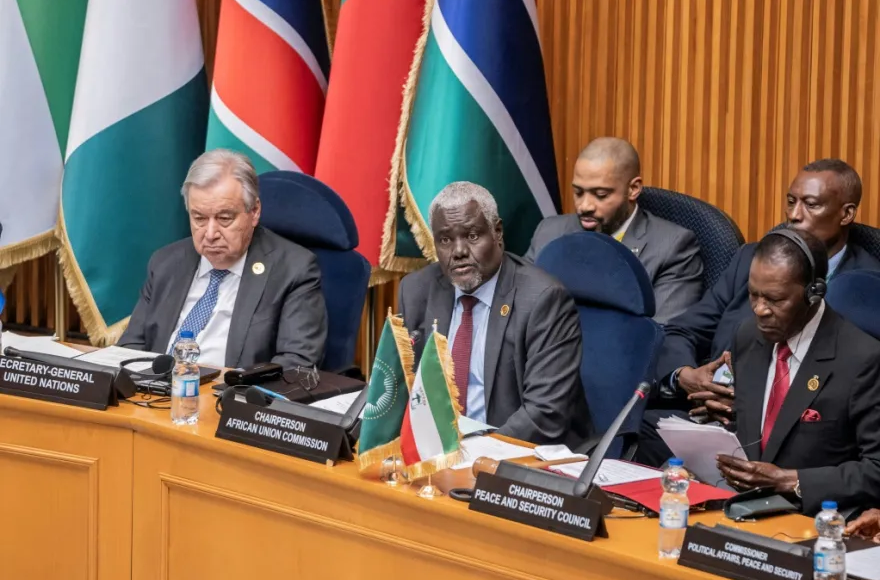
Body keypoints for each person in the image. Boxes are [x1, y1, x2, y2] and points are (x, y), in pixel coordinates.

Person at [637, 159, 880, 467]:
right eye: (791, 201)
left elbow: (845, 390)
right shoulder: (752, 260)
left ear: (846, 214)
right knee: (634, 430)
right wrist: (686, 375)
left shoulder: (866, 288)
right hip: (706, 414)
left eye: (811, 205)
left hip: (790, 438)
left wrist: (748, 405)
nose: (794, 215)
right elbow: (683, 330)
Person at [398, 181, 590, 444]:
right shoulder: (416, 290)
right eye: (445, 240)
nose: (459, 251)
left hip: (515, 451)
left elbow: (544, 415)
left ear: (497, 232)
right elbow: (398, 384)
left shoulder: (543, 300)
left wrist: (475, 453)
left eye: (472, 236)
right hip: (437, 449)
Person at [714, 229, 880, 515]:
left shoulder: (863, 359)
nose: (760, 310)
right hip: (743, 507)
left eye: (775, 300)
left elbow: (876, 469)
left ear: (813, 294)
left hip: (814, 517)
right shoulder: (748, 336)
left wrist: (791, 481)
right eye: (753, 295)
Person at [119, 149, 327, 369]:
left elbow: (296, 363)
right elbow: (130, 347)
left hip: (231, 389)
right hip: (154, 387)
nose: (210, 234)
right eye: (199, 218)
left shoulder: (293, 270)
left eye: (224, 218)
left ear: (254, 211)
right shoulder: (166, 263)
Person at [524, 137, 703, 323]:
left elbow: (663, 332)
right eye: (578, 192)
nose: (584, 206)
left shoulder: (672, 248)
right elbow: (518, 307)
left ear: (633, 189)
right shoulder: (549, 232)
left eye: (600, 195)